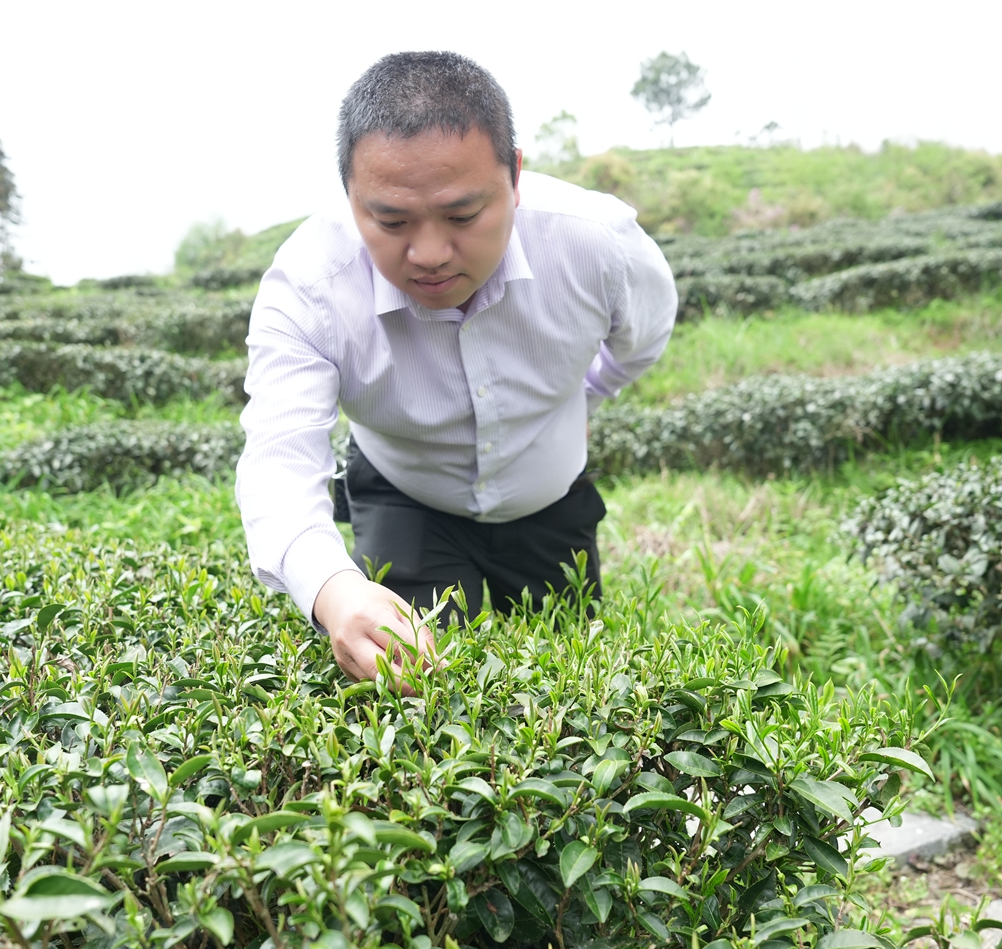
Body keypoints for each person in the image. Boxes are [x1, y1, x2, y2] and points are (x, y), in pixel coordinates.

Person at [235, 51, 677, 680]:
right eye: (391, 220)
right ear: (350, 199)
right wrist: (334, 589)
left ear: (515, 178)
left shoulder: (596, 242)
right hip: (406, 496)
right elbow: (277, 459)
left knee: (570, 689)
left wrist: (586, 397)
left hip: (551, 502)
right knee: (420, 691)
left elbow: (642, 338)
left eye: (463, 216)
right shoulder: (310, 284)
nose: (431, 254)